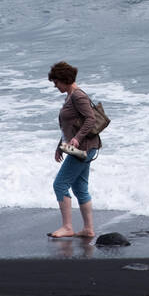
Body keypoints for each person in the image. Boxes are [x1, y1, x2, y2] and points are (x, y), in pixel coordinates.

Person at [47, 61, 103, 239]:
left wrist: (77, 139)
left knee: (60, 184)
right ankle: (88, 229)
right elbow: (69, 125)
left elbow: (90, 119)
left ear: (64, 79)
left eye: (56, 82)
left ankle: (67, 227)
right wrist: (60, 146)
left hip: (83, 149)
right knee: (80, 188)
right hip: (82, 147)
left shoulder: (78, 96)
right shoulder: (70, 96)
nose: (55, 86)